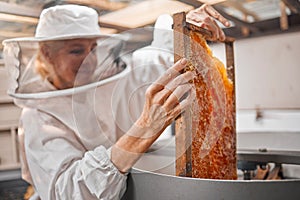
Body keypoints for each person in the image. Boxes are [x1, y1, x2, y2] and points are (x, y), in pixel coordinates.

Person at [3, 4, 230, 200]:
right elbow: (69, 192)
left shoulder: (112, 80)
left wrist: (183, 28)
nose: (89, 60)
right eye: (76, 51)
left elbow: (158, 57)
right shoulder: (38, 116)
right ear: (47, 53)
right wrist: (144, 129)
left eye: (93, 48)